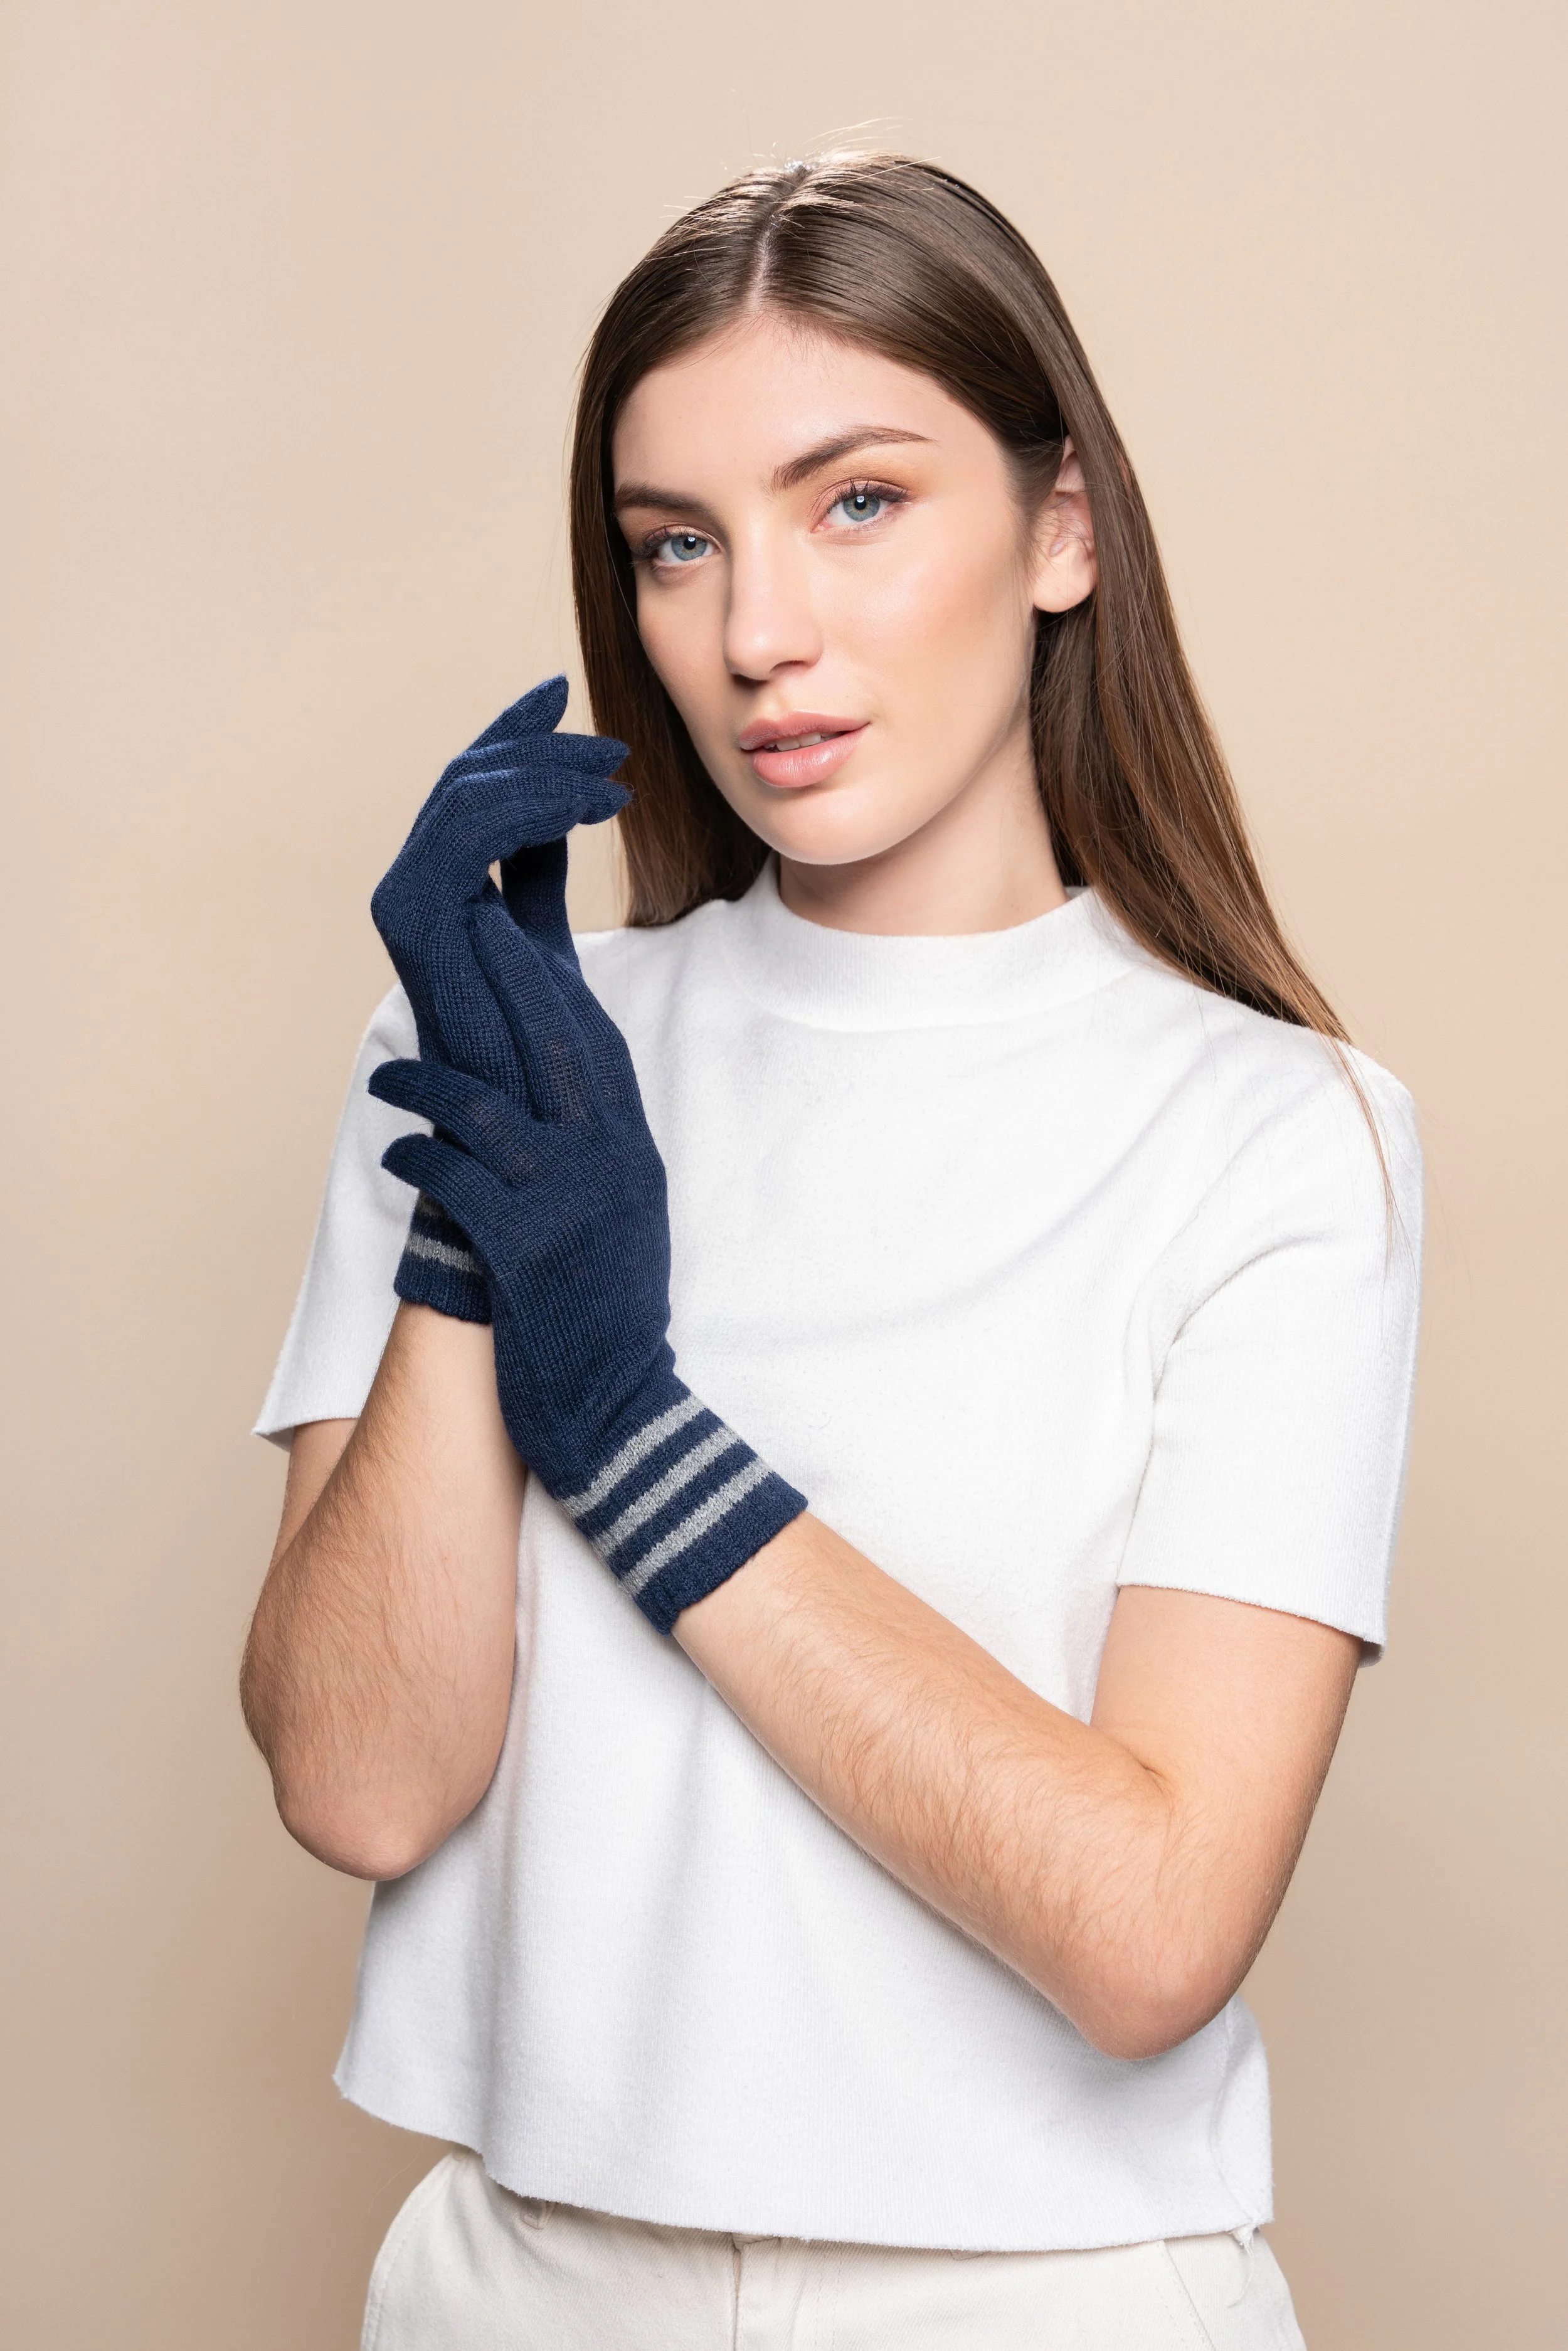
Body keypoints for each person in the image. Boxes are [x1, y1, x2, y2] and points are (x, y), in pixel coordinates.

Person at [241, 154, 1422, 2349]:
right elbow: (359, 1780)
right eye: (674, 542)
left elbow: (1149, 1926)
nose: (754, 632)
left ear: (1061, 528)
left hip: (1044, 2299)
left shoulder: (1276, 1136)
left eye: (856, 501)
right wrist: (474, 1243)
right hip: (518, 2283)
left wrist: (622, 1423)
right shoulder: (501, 1048)